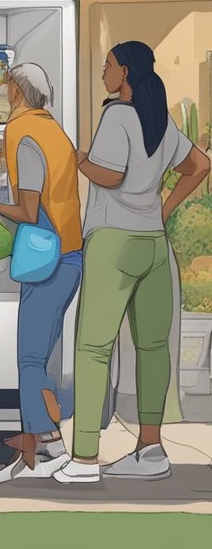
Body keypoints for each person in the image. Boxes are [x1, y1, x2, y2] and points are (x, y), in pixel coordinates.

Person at [54, 42, 211, 484]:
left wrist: (80, 159)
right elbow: (200, 166)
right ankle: (150, 449)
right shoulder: (159, 120)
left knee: (92, 348)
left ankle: (84, 458)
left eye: (108, 66)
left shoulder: (118, 116)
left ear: (125, 72)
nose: (104, 72)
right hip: (154, 246)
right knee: (153, 350)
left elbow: (112, 174)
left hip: (113, 242)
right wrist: (163, 209)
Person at [0, 64, 82, 483]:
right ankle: (34, 456)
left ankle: (50, 446)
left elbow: (26, 210)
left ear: (17, 92)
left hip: (46, 259)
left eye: (6, 89)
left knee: (30, 360)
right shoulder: (54, 129)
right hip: (70, 255)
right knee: (42, 359)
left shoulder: (22, 133)